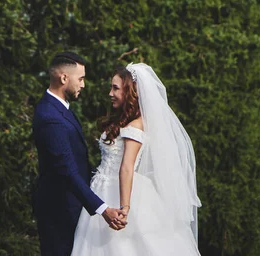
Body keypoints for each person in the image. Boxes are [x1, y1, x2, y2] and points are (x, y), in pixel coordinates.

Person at [71, 62, 202, 255]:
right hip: (103, 189)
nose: (110, 93)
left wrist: (125, 208)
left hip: (118, 192)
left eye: (115, 88)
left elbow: (127, 167)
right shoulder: (123, 121)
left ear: (130, 91)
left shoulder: (135, 126)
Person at [32, 52, 126, 256]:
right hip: (59, 211)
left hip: (73, 205)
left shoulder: (61, 109)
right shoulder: (49, 116)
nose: (83, 85)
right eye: (81, 78)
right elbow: (66, 170)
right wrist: (102, 209)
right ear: (64, 78)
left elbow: (79, 162)